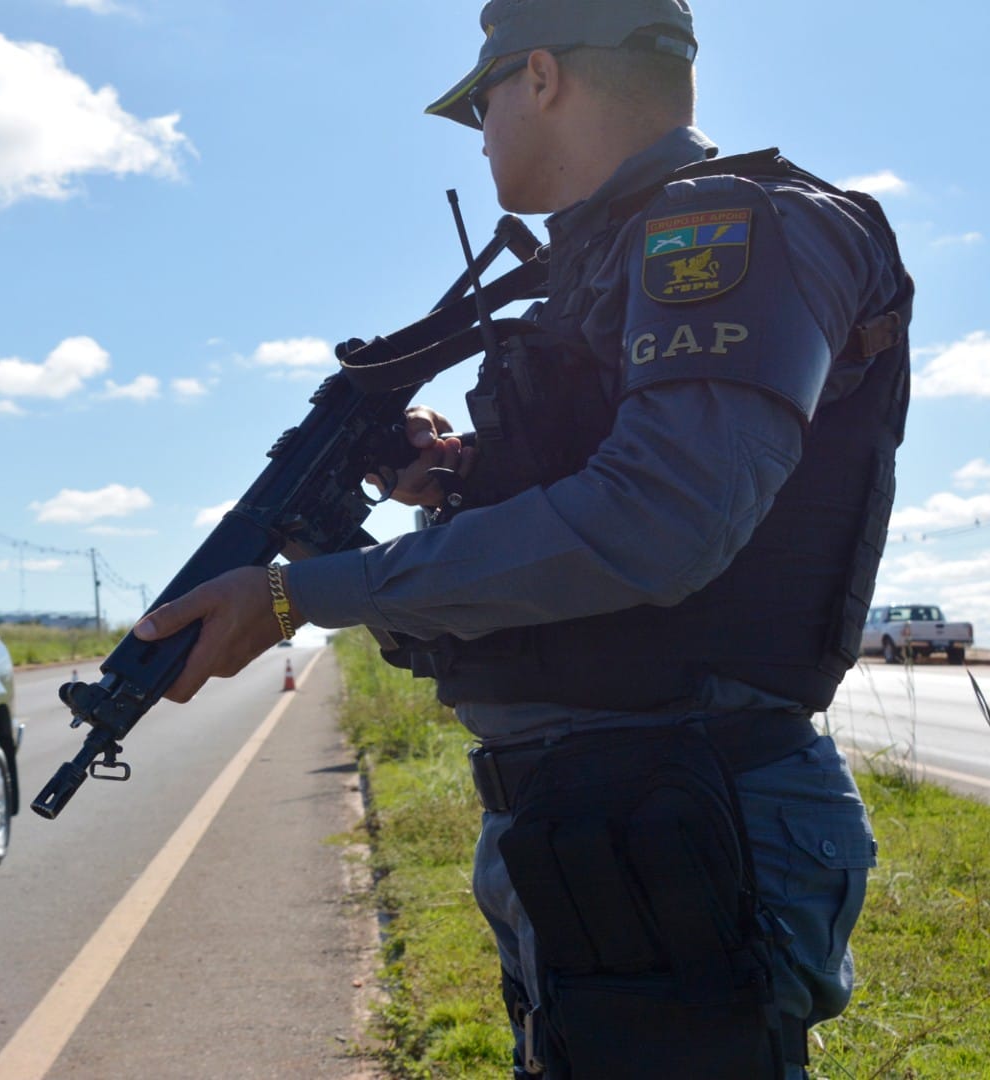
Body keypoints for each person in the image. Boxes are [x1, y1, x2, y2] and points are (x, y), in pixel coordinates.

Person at [133, 1, 908, 1075]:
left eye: (483, 102)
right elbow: (606, 492)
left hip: (682, 811)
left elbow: (661, 520)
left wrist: (294, 598)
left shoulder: (726, 226)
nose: (483, 130)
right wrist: (454, 480)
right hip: (599, 817)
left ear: (539, 75)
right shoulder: (604, 259)